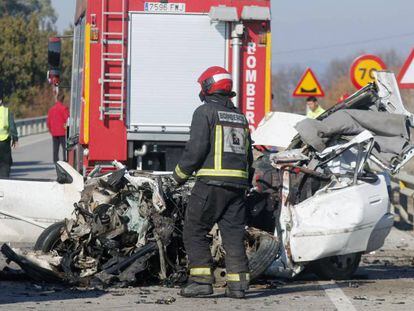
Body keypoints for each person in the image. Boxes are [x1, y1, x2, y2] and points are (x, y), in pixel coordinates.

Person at [172, 66, 253, 299]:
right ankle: (238, 286)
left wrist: (178, 176)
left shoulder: (204, 112)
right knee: (233, 234)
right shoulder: (240, 117)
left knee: (194, 230)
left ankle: (200, 282)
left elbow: (195, 151)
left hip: (211, 185)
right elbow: (249, 156)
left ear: (208, 87)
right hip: (237, 187)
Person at [0, 81, 18, 178]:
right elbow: (12, 126)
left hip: (4, 142)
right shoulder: (6, 111)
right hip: (4, 143)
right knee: (5, 165)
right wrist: (15, 139)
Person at [47, 92, 69, 163]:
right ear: (63, 100)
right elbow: (67, 120)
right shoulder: (64, 109)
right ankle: (65, 160)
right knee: (65, 147)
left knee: (55, 148)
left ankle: (55, 160)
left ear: (57, 99)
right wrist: (66, 129)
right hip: (62, 132)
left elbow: (48, 122)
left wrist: (51, 130)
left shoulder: (51, 109)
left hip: (54, 132)